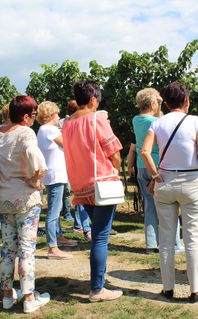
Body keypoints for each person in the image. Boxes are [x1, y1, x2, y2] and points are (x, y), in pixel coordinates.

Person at [141, 82, 198, 303]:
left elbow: (144, 151)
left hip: (165, 182)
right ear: (187, 102)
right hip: (191, 182)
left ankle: (168, 288)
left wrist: (154, 174)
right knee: (192, 238)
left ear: (167, 103)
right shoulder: (195, 122)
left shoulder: (158, 123)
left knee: (166, 237)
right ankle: (195, 290)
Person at [62, 80, 123, 302]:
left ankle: (99, 283)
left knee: (97, 233)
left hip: (80, 186)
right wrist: (115, 168)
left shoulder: (67, 124)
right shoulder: (96, 119)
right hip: (102, 184)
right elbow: (113, 150)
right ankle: (97, 288)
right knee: (100, 236)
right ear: (93, 99)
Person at [0, 95, 51, 313]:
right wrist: (36, 178)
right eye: (34, 114)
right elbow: (37, 158)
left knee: (8, 249)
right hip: (25, 199)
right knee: (26, 249)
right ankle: (28, 297)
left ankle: (7, 295)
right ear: (26, 116)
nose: (35, 118)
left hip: (4, 198)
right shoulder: (25, 132)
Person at [127, 87, 184, 254]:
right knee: (169, 205)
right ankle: (174, 243)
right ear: (153, 103)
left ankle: (151, 244)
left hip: (141, 166)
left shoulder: (135, 120)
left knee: (150, 206)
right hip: (157, 167)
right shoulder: (157, 122)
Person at [36, 101, 79, 260]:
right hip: (55, 175)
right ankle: (52, 247)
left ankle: (58, 236)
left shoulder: (43, 130)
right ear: (51, 115)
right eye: (57, 113)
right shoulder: (50, 130)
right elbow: (69, 144)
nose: (59, 116)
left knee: (57, 207)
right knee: (53, 212)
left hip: (53, 174)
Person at [63, 99, 92, 236]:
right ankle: (85, 227)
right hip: (80, 165)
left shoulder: (66, 123)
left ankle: (80, 224)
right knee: (82, 197)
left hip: (72, 165)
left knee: (79, 196)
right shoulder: (79, 123)